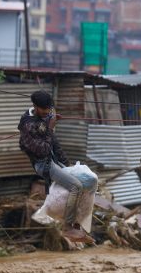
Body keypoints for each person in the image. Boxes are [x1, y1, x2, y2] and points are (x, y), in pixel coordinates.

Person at [18, 91, 94, 244]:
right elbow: (44, 150)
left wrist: (68, 166)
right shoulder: (28, 126)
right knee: (76, 187)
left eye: (49, 109)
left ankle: (77, 225)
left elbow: (55, 144)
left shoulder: (46, 114)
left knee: (87, 181)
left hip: (54, 161)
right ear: (35, 106)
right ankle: (67, 227)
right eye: (44, 110)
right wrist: (50, 128)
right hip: (43, 164)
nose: (47, 112)